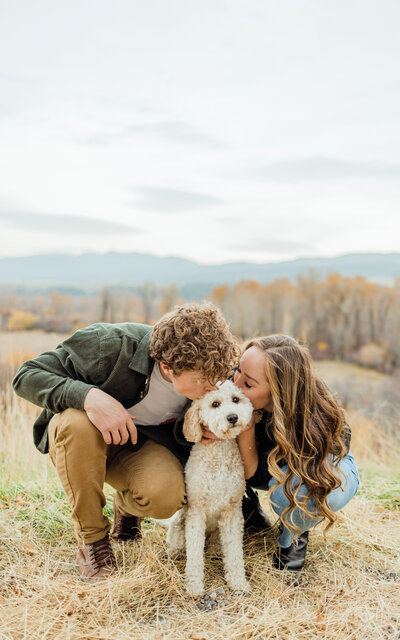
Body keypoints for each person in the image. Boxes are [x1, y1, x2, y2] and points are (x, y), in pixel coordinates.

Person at [12, 302, 241, 581]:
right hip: (81, 440)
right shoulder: (108, 345)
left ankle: (127, 505)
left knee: (167, 495)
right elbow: (26, 376)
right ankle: (93, 542)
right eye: (203, 380)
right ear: (168, 368)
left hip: (135, 446)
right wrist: (89, 397)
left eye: (216, 378)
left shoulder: (210, 369)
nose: (212, 386)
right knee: (77, 422)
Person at [201, 334, 360, 571]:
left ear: (278, 390)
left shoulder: (314, 410)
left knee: (299, 493)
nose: (235, 383)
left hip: (319, 466)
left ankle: (293, 535)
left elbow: (313, 472)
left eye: (248, 384)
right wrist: (245, 428)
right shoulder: (231, 393)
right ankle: (247, 508)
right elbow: (249, 472)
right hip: (264, 468)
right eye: (237, 371)